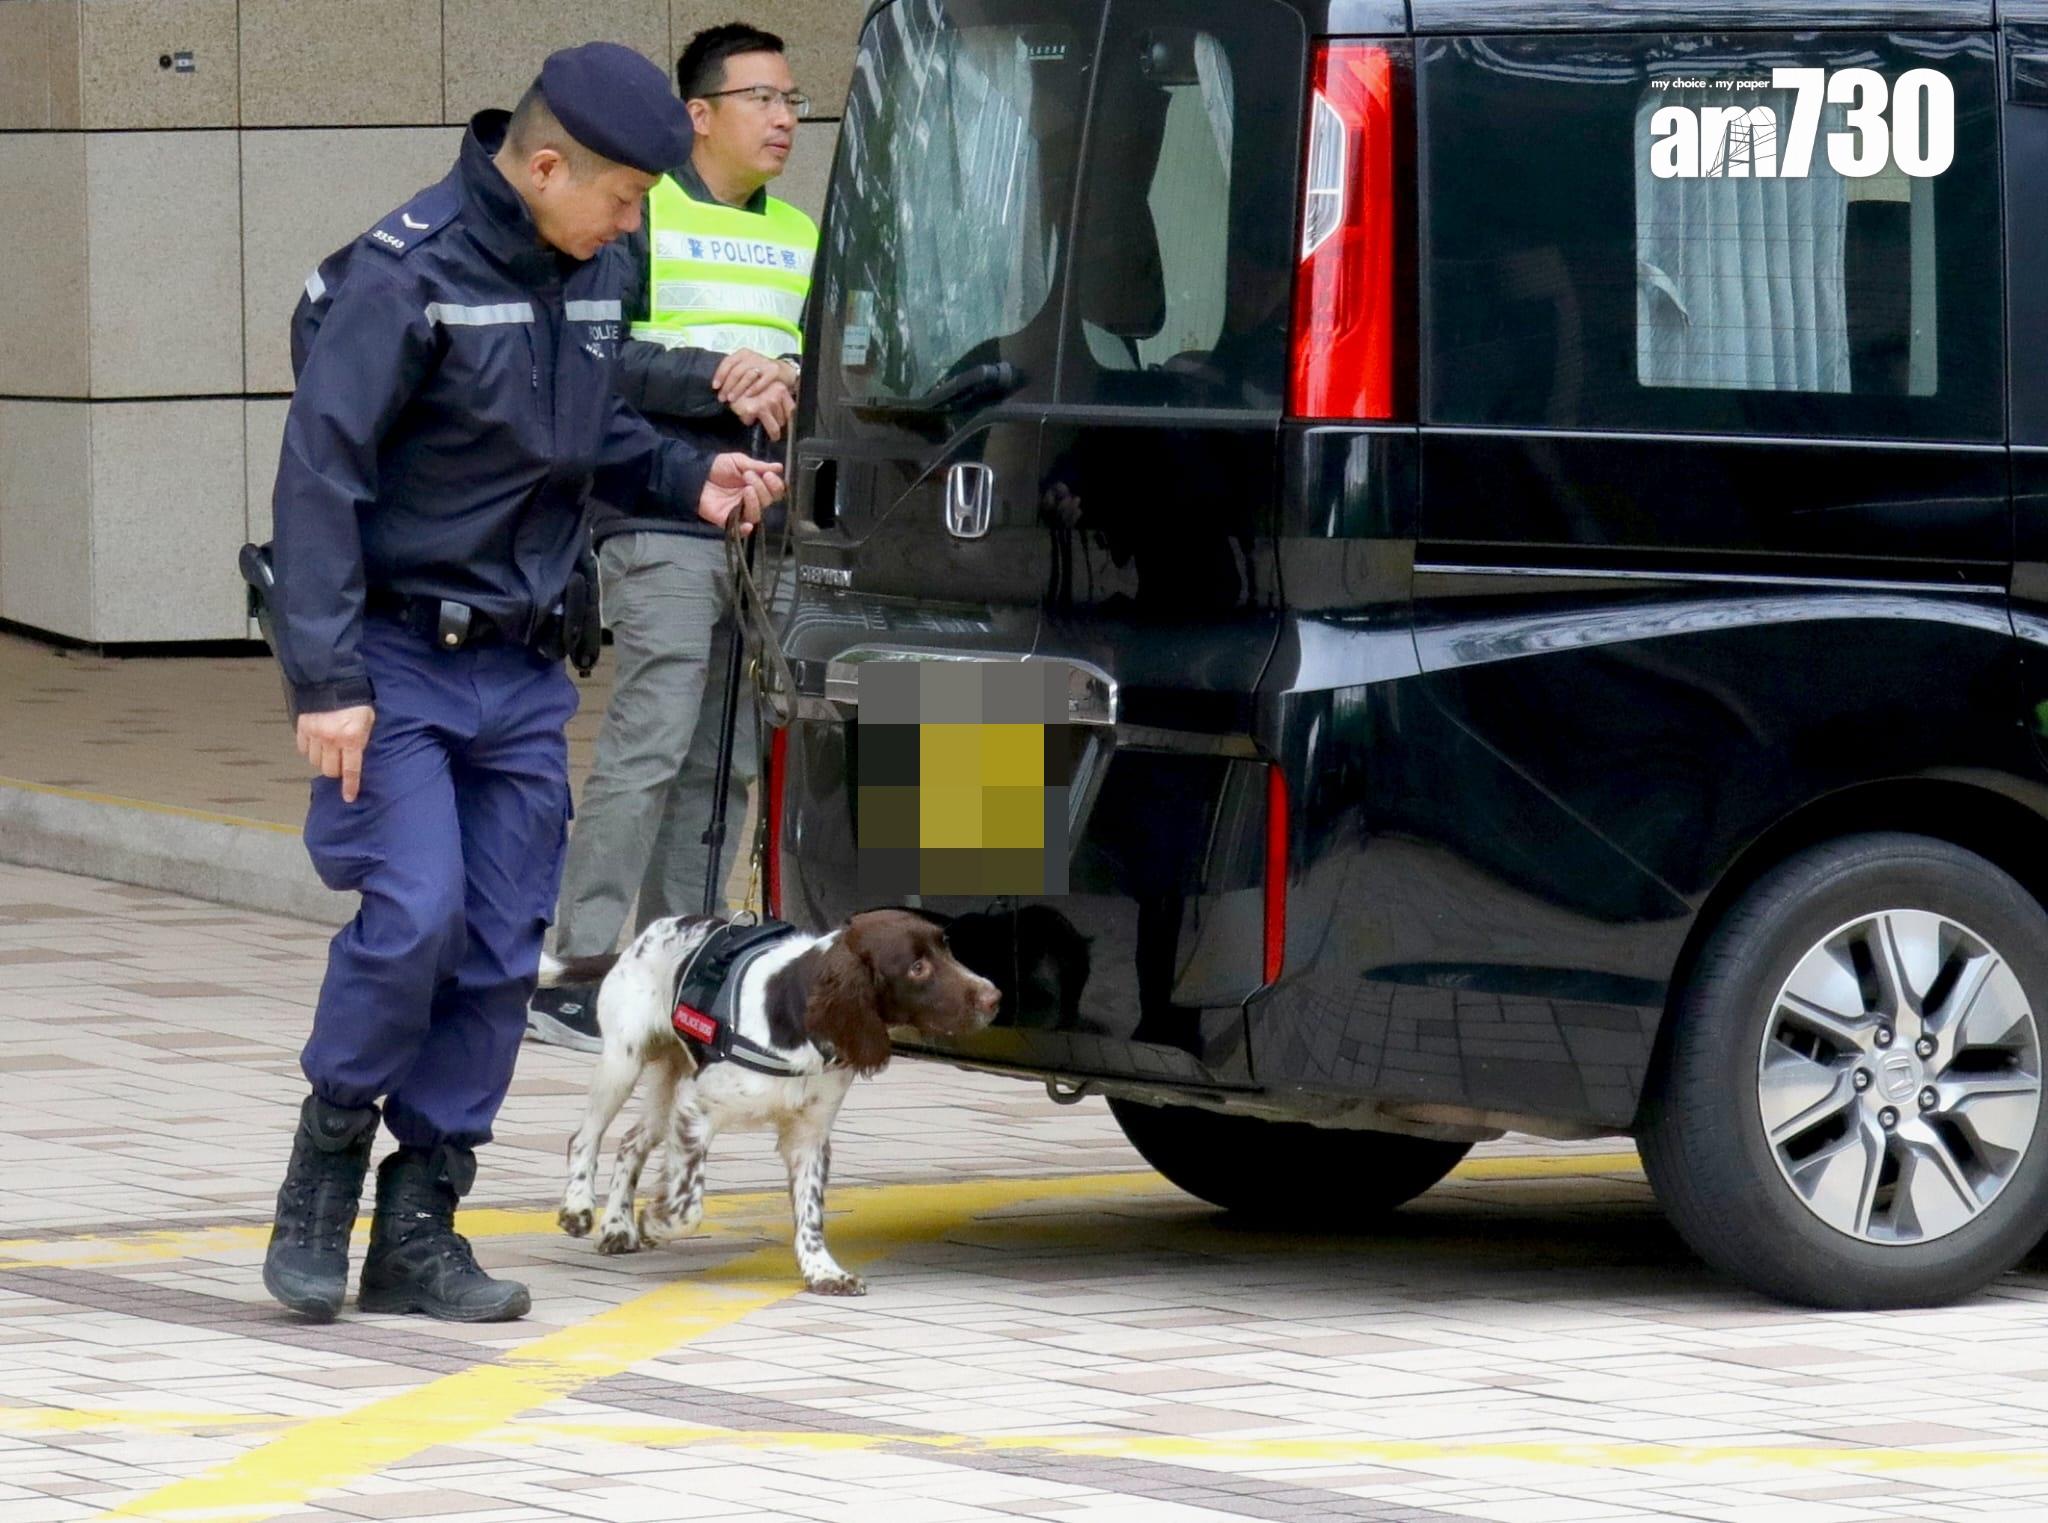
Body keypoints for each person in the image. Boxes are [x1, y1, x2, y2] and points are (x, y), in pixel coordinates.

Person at [259, 41, 784, 1325]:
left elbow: (589, 428)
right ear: (545, 166)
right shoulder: (404, 275)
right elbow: (319, 478)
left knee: (500, 950)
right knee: (414, 918)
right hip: (391, 661)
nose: (632, 224)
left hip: (522, 662)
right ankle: (323, 1177)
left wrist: (686, 477)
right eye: (619, 198)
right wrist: (324, 679)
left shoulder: (590, 264)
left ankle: (421, 1222)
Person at [529, 24, 817, 1052]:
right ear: (699, 114)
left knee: (728, 760)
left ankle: (683, 966)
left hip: (762, 522)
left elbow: (815, 363)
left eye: (794, 100)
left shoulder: (802, 233)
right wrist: (716, 372)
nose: (784, 118)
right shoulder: (636, 215)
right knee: (648, 744)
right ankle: (580, 969)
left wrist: (785, 378)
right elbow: (593, 362)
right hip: (655, 518)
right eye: (762, 98)